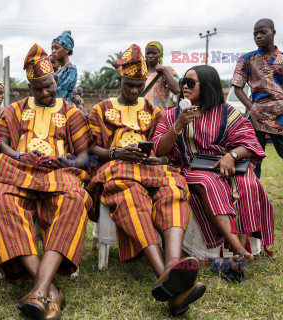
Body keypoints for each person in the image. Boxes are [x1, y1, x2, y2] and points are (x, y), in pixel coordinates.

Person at [87, 44, 204, 317]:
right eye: (130, 85)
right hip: (116, 168)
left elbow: (163, 147)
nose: (135, 90)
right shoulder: (100, 109)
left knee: (174, 189)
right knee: (131, 198)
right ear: (120, 81)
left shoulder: (154, 110)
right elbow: (92, 148)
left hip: (149, 168)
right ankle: (165, 274)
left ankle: (172, 265)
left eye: (139, 85)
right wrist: (116, 152)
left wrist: (157, 159)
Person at [0, 44, 93, 320]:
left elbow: (84, 158)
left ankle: (40, 290)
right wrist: (20, 154)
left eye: (48, 86)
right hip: (19, 171)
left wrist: (66, 161)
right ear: (30, 88)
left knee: (75, 199)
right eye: (38, 89)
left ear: (56, 80)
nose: (45, 93)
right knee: (0, 197)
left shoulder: (72, 113)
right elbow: (1, 144)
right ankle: (51, 291)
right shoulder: (14, 110)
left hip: (59, 173)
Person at [153, 65, 274, 282]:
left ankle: (238, 257)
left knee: (249, 184)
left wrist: (232, 156)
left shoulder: (226, 112)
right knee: (208, 182)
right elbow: (160, 149)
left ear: (207, 86)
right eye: (182, 81)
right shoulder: (172, 115)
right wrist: (178, 125)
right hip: (192, 168)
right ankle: (237, 248)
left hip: (226, 165)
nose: (184, 86)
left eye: (191, 83)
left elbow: (250, 142)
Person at [231, 18, 283, 218]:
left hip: (282, 119)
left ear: (273, 32)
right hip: (256, 118)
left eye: (262, 32)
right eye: (255, 33)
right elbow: (237, 87)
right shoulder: (247, 58)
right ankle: (251, 203)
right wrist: (251, 108)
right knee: (253, 161)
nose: (258, 36)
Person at [144, 41, 180, 112]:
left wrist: (164, 70)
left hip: (158, 115)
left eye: (154, 53)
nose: (150, 56)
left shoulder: (167, 71)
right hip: (139, 115)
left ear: (160, 55)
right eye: (148, 53)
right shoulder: (140, 71)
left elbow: (176, 90)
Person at [51, 30, 77, 103]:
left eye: (56, 48)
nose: (53, 51)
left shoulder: (71, 69)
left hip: (63, 109)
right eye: (52, 48)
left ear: (66, 50)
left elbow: (60, 93)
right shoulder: (60, 69)